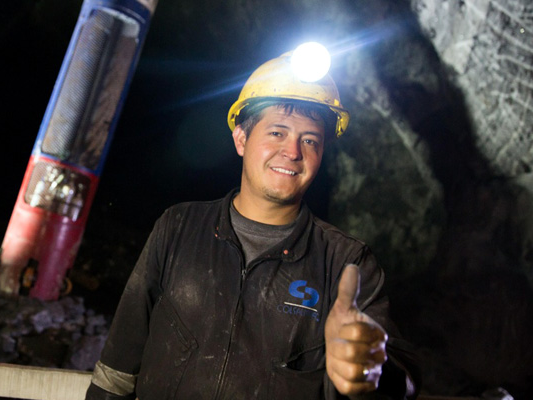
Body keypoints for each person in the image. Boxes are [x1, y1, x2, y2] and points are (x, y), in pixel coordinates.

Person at [85, 49, 418, 399]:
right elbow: (117, 369)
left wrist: (374, 371)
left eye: (310, 140)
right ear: (241, 139)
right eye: (277, 132)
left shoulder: (346, 262)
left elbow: (402, 381)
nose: (293, 152)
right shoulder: (179, 227)